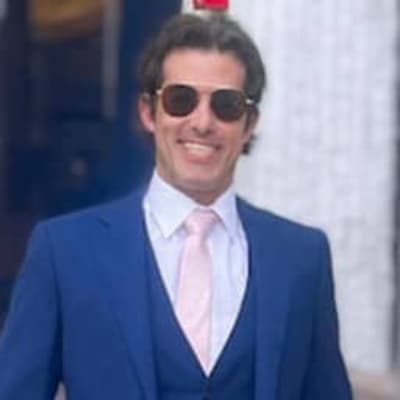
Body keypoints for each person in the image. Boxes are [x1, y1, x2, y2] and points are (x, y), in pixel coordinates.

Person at [0, 13, 352, 400]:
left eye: (226, 105)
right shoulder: (63, 251)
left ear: (249, 123)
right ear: (148, 112)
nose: (202, 122)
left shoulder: (302, 257)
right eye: (181, 100)